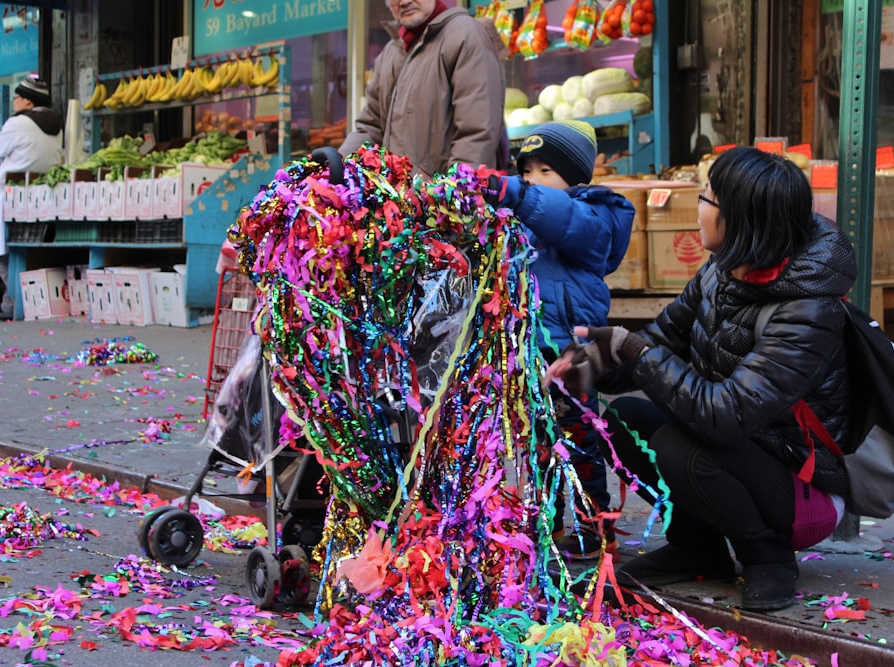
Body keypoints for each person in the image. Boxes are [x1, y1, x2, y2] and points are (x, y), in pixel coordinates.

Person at [546, 146, 858, 610]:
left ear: (740, 219)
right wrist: (591, 362)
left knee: (679, 445)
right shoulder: (721, 272)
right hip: (746, 454)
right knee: (625, 417)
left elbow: (724, 415)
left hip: (803, 488)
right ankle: (697, 546)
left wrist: (633, 347)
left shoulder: (807, 310)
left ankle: (767, 557)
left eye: (707, 199)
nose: (697, 207)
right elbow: (662, 340)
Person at [487, 120, 635, 559]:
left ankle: (594, 527)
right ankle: (543, 527)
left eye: (544, 171)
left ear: (576, 176)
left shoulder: (597, 214)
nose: (531, 180)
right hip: (526, 352)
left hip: (570, 353)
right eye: (526, 171)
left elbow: (567, 220)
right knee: (537, 448)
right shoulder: (523, 223)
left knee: (579, 441)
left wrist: (521, 195)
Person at [334, 0, 510, 177]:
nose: (404, 1)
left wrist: (457, 194)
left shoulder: (466, 35)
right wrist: (332, 169)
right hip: (400, 201)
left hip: (441, 200)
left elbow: (476, 132)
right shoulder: (391, 52)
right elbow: (370, 128)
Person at [0, 77, 63, 319]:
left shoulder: (18, 124)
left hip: (7, 197)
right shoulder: (55, 125)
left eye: (16, 97)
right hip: (38, 196)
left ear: (27, 100)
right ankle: (8, 303)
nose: (14, 101)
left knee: (2, 254)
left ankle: (12, 303)